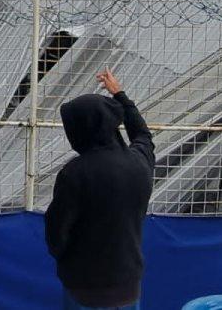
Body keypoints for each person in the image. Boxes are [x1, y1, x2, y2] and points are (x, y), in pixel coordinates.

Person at [45, 69, 154, 310]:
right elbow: (143, 134)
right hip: (128, 285)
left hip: (85, 287)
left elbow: (57, 232)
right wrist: (120, 95)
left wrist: (66, 258)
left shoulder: (74, 173)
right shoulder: (139, 162)